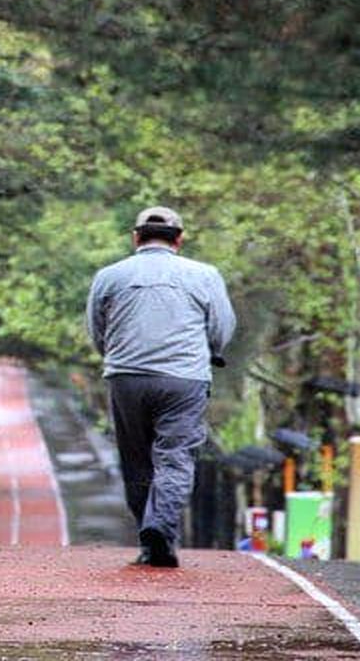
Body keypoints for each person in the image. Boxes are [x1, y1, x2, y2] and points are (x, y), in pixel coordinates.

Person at [86, 206, 235, 568]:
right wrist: (212, 353)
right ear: (179, 239)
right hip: (184, 380)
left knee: (136, 463)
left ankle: (151, 539)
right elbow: (222, 326)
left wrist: (117, 356)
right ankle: (160, 528)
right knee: (175, 457)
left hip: (126, 379)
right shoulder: (205, 275)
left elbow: (96, 328)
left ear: (136, 237)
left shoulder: (109, 276)